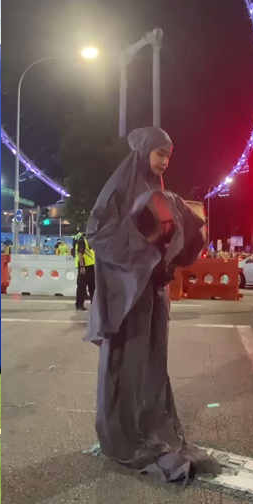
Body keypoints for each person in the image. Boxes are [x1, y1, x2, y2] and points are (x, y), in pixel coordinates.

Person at [84, 126, 220, 483]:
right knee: (127, 363)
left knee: (152, 362)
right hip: (127, 296)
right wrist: (140, 253)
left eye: (169, 156)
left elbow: (174, 236)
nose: (164, 161)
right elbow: (98, 233)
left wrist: (177, 249)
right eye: (160, 154)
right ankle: (123, 435)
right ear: (144, 151)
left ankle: (151, 428)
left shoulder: (161, 193)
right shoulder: (119, 188)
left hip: (154, 294)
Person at [74, 230, 95, 311]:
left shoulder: (89, 242)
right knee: (82, 286)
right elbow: (80, 254)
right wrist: (82, 266)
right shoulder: (82, 241)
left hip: (91, 266)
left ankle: (94, 303)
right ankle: (79, 305)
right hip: (84, 266)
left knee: (92, 286)